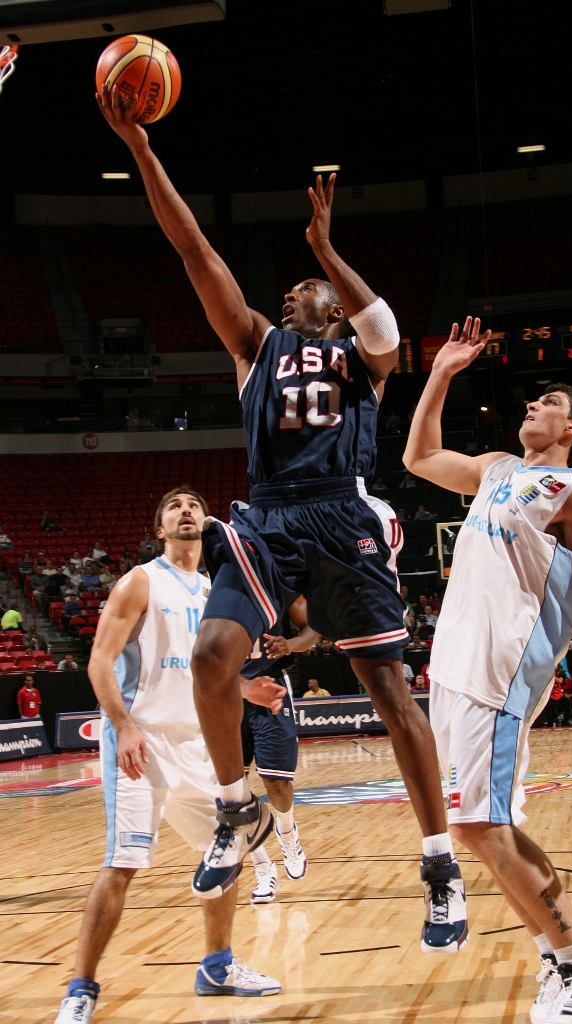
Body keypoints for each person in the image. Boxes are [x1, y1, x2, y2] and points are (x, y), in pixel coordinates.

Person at [98, 88, 460, 954]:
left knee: (390, 694)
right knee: (215, 659)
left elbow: (387, 329)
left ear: (329, 307)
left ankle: (439, 863)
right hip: (268, 519)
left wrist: (328, 250)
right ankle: (234, 807)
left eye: (312, 288)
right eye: (297, 283)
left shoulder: (359, 359)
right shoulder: (255, 345)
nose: (296, 289)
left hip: (343, 515)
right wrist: (142, 148)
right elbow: (192, 245)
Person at [404, 323, 572, 1021]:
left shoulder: (569, 488)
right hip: (456, 667)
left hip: (500, 673)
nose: (532, 405)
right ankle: (561, 964)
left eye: (547, 401)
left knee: (479, 827)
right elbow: (421, 455)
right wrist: (440, 372)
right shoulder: (498, 466)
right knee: (484, 827)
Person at [53, 489, 282, 1024]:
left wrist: (247, 692)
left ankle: (217, 967)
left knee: (226, 857)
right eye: (174, 506)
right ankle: (80, 988)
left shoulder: (215, 590)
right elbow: (100, 663)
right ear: (159, 526)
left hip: (200, 744)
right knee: (123, 864)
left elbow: (204, 673)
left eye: (195, 505)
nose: (186, 511)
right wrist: (125, 726)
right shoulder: (141, 580)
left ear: (206, 523)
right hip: (143, 742)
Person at [241, 597, 318, 903]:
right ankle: (261, 866)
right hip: (225, 689)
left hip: (270, 684)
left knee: (275, 782)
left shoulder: (279, 585)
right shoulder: (207, 587)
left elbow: (311, 630)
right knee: (230, 792)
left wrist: (293, 644)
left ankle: (287, 833)